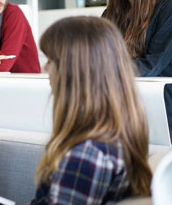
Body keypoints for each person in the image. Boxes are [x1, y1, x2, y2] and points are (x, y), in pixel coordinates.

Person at [31, 16, 151, 204]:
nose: (45, 69)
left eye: (50, 61)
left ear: (72, 72)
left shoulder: (86, 156)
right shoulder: (116, 136)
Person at [103, 0, 172, 136]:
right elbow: (98, 55)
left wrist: (105, 72)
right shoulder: (111, 13)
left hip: (163, 110)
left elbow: (152, 65)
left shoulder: (168, 7)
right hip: (122, 107)